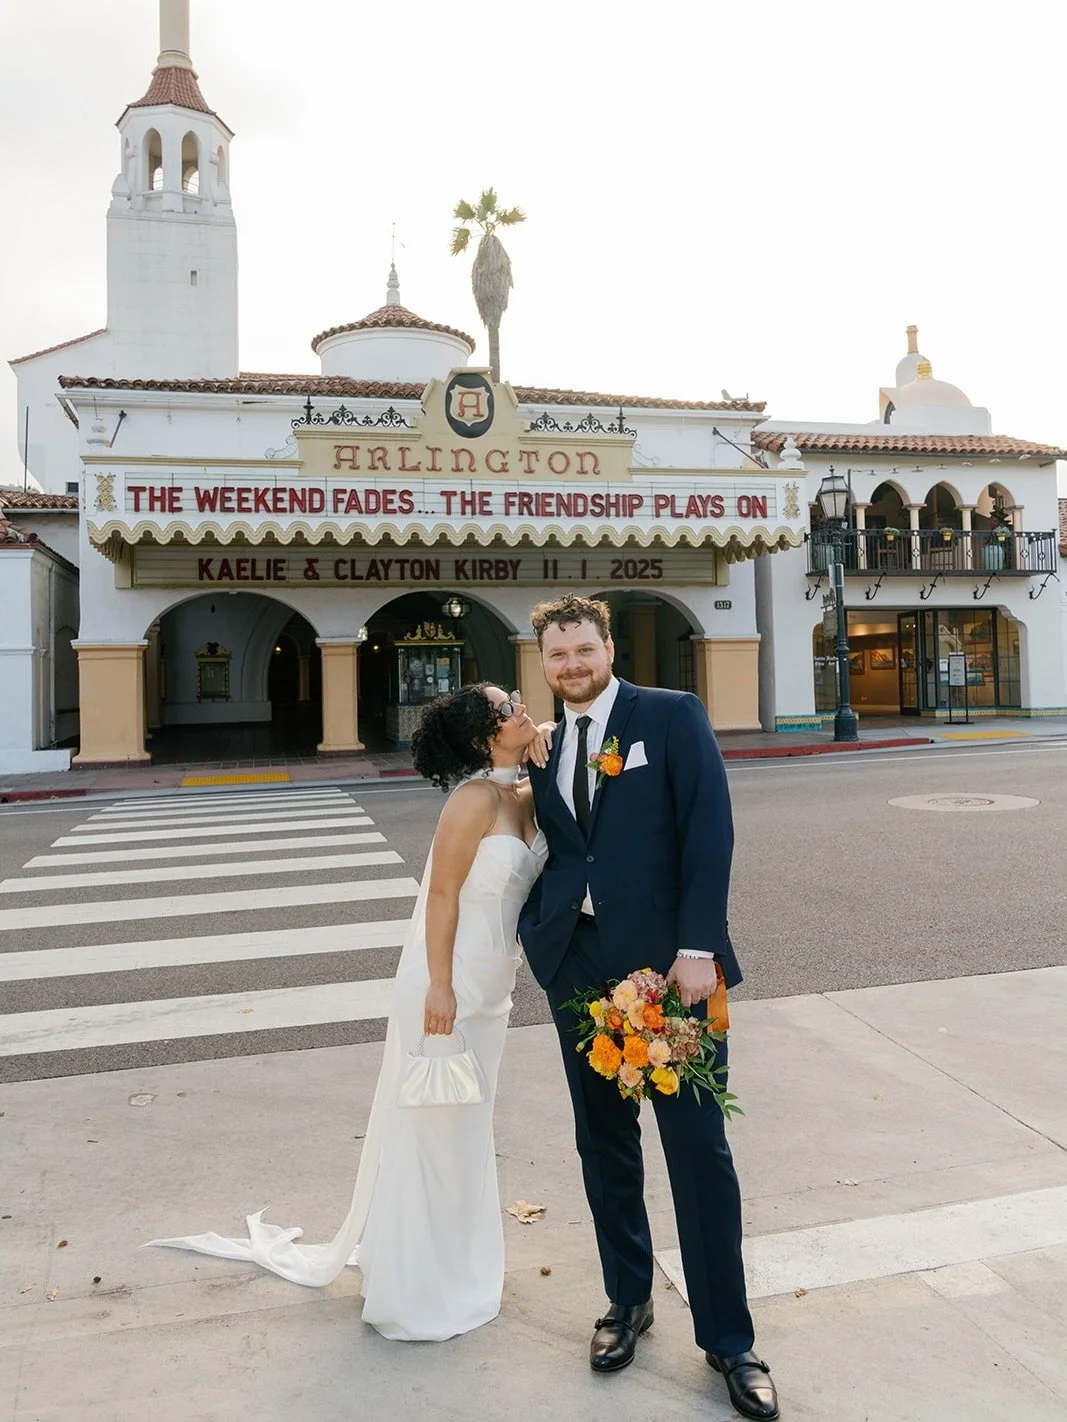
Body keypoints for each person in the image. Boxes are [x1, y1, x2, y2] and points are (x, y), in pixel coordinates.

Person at [149, 684, 547, 1343]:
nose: (521, 710)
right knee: (429, 1136)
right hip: (444, 988)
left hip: (493, 989)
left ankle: (458, 1265)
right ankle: (416, 1290)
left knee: (465, 1136)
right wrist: (439, 988)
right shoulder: (473, 799)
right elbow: (442, 896)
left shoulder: (523, 795)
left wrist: (547, 743)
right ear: (482, 736)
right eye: (507, 709)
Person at [518, 595, 779, 1421]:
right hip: (577, 964)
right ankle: (627, 1300)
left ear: (606, 648)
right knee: (602, 1142)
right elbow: (560, 849)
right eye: (557, 654)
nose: (571, 665)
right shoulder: (544, 745)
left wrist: (698, 945)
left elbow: (709, 829)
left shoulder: (667, 716)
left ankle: (730, 1342)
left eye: (583, 649)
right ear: (543, 661)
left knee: (697, 1150)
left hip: (672, 970)